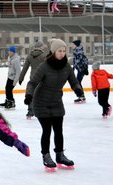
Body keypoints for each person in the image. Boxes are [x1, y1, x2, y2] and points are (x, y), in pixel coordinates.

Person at [25, 39, 83, 171]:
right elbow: (32, 83)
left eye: (64, 51)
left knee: (58, 130)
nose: (62, 54)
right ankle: (46, 156)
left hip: (56, 101)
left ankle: (60, 155)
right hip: (41, 102)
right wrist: (29, 95)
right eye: (59, 51)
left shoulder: (66, 66)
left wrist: (78, 89)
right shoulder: (45, 66)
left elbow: (73, 81)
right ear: (53, 51)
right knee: (47, 130)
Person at [19, 41, 49, 119]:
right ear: (41, 47)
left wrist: (21, 78)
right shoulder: (44, 56)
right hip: (42, 77)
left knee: (31, 94)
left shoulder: (29, 56)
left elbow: (25, 68)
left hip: (33, 78)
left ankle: (30, 112)